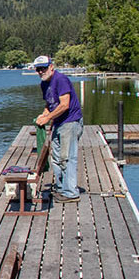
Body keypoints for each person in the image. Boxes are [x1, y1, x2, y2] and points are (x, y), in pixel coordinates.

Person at [33, 55, 84, 203]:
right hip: (58, 123)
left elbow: (64, 105)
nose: (41, 72)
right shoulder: (44, 84)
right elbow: (50, 104)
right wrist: (43, 115)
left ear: (51, 67)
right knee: (56, 157)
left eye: (43, 68)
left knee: (67, 157)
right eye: (38, 69)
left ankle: (71, 193)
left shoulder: (60, 80)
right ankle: (62, 188)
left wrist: (48, 118)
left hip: (70, 122)